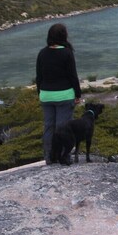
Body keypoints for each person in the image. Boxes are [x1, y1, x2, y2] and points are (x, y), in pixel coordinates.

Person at [36, 23, 82, 165]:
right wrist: (78, 94)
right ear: (64, 36)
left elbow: (39, 77)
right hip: (64, 95)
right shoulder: (67, 53)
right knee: (63, 128)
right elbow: (73, 76)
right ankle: (63, 156)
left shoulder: (42, 53)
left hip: (46, 95)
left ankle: (49, 157)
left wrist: (41, 93)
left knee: (49, 126)